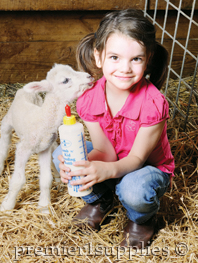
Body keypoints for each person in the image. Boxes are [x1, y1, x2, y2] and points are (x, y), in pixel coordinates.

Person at [52, 9, 175, 248]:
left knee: (134, 189)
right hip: (113, 160)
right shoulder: (89, 98)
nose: (125, 68)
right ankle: (101, 200)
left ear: (148, 59)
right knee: (62, 156)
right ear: (99, 57)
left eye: (136, 59)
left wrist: (105, 171)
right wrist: (81, 163)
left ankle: (142, 220)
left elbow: (138, 159)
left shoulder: (153, 104)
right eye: (115, 57)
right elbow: (104, 151)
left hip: (144, 169)